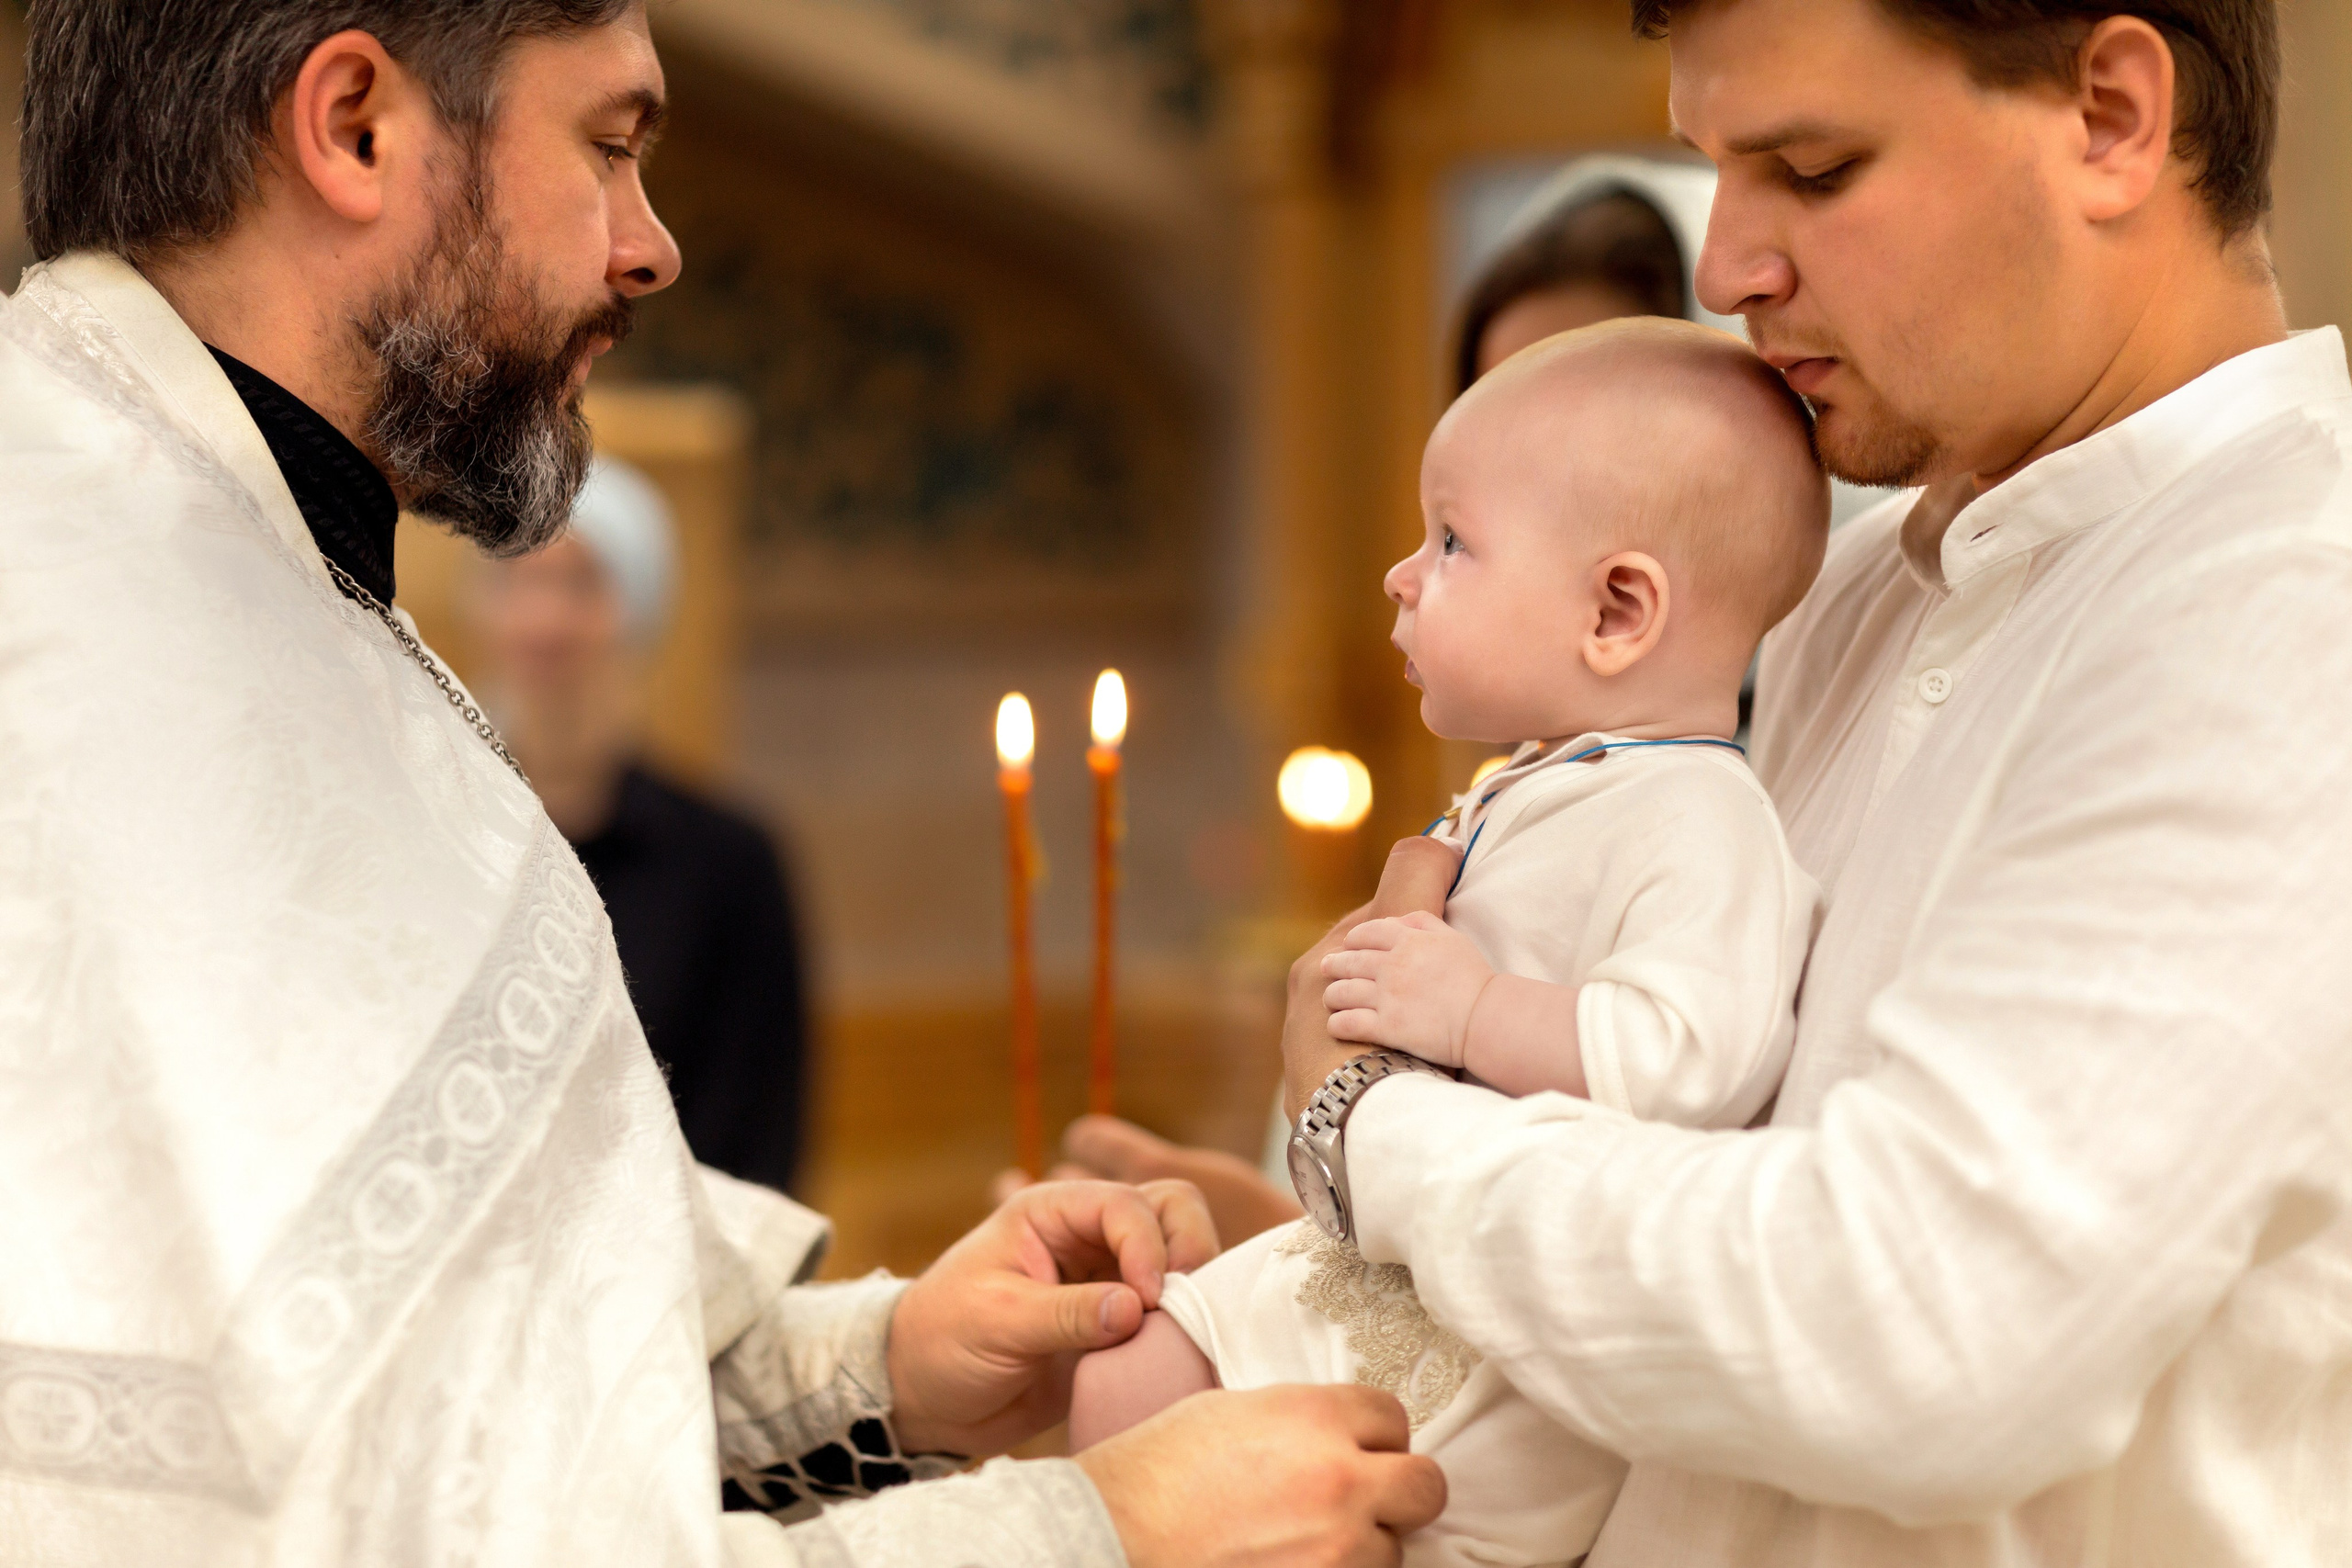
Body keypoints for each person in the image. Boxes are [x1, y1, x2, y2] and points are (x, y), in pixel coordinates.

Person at [0, 5, 1445, 1565]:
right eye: (610, 149)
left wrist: (873, 1370)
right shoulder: (108, 657)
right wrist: (1106, 1530)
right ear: (355, 125)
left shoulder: (208, 545)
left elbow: (446, 1391)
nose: (652, 249)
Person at [1278, 0, 2352, 1562]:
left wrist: (1370, 1137)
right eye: (1715, 168)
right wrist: (1323, 1296)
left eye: (1812, 166)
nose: (1726, 267)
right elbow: (1695, 1159)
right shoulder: (1864, 588)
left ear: (2112, 116)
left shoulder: (2286, 607)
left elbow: (1920, 1330)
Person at [1070, 321, 1830, 1566]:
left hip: (1494, 1357)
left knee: (1172, 1423)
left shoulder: (1701, 815)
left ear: (1619, 607)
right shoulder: (1546, 778)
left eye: (1452, 540)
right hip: (1396, 1257)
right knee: (1126, 1378)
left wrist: (1474, 1010)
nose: (1402, 575)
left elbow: (1690, 1058)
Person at [470, 455, 810, 1191]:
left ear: (639, 613)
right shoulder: (449, 836)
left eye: (582, 583)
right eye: (525, 579)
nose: (548, 621)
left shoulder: (731, 864)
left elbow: (758, 1147)